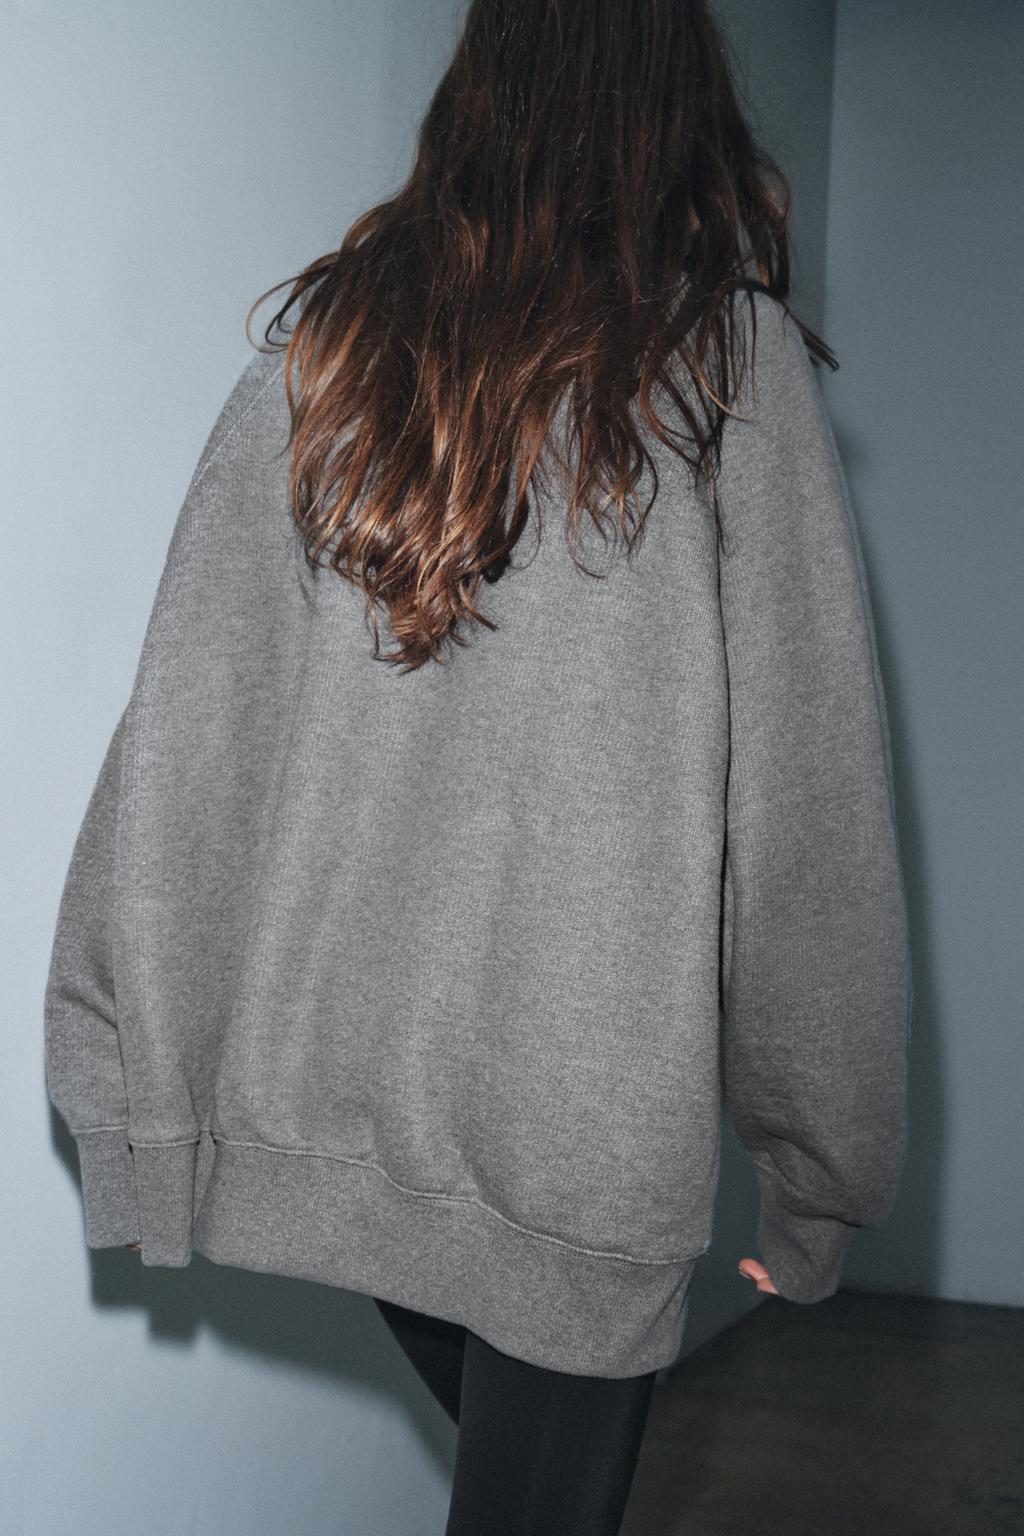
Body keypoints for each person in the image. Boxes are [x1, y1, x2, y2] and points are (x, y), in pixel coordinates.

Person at [43, 1, 911, 1532]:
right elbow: (808, 829)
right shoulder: (723, 373)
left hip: (360, 1114)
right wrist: (821, 1164)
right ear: (678, 103)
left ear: (475, 89)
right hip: (578, 1158)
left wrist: (127, 1094)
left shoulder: (329, 355)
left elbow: (181, 751)